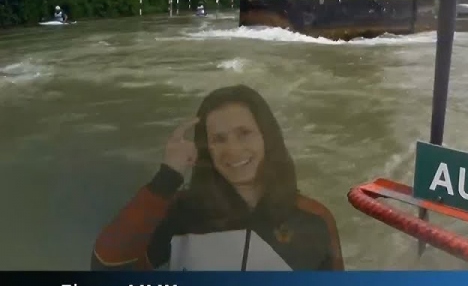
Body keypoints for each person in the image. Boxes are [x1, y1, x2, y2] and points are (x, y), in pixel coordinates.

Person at [90, 84, 344, 271]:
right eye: (218, 139)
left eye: (244, 133)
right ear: (205, 150)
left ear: (267, 137)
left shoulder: (315, 220)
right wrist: (167, 178)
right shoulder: (180, 213)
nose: (232, 150)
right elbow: (105, 267)